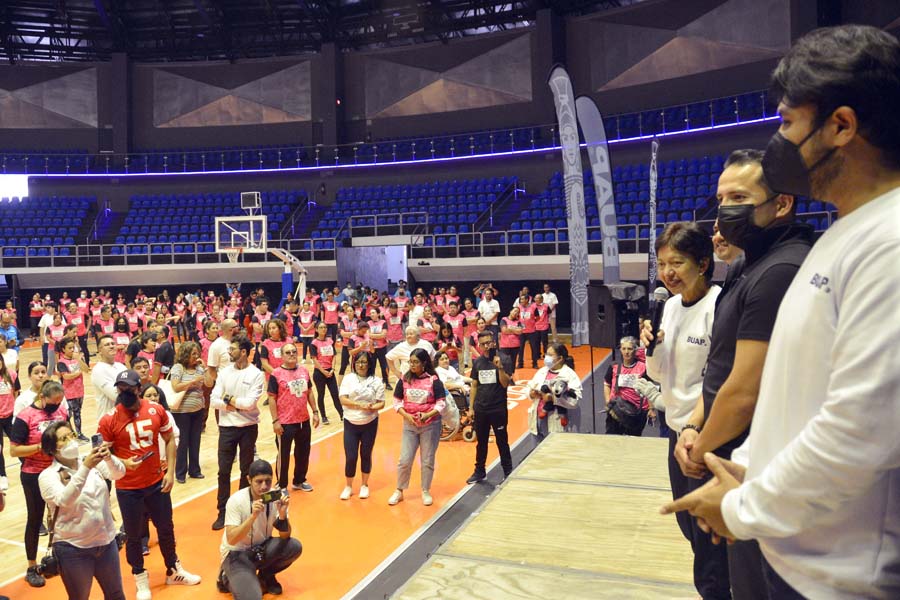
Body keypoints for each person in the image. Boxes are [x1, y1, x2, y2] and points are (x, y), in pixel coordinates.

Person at [664, 25, 900, 600]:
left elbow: (861, 430)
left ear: (841, 126)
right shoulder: (848, 232)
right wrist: (749, 465)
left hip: (841, 578)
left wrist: (742, 505)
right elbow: (798, 396)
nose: (780, 141)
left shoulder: (890, 241)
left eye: (789, 123)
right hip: (794, 547)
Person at [672, 148, 813, 599]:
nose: (724, 209)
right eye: (720, 197)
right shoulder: (747, 264)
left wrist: (701, 449)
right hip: (724, 451)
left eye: (738, 196)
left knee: (758, 585)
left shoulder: (782, 269)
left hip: (757, 466)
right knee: (728, 575)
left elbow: (746, 388)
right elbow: (720, 368)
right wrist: (694, 425)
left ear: (782, 203)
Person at [639, 222, 721, 600]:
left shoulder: (718, 305)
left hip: (708, 435)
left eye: (678, 262)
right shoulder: (669, 307)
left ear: (703, 263)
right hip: (676, 433)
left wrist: (697, 426)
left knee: (708, 543)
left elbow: (720, 378)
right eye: (662, 263)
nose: (668, 273)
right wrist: (650, 347)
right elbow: (658, 374)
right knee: (690, 528)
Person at [99, 370, 201, 599]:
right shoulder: (109, 419)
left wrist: (171, 472)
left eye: (128, 387)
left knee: (166, 528)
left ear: (138, 387)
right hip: (128, 487)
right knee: (134, 535)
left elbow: (169, 439)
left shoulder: (156, 409)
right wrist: (123, 462)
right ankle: (140, 577)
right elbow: (102, 452)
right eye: (120, 388)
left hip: (156, 482)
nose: (124, 392)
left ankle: (174, 570)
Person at [38, 421, 127, 600]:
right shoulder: (47, 476)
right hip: (73, 548)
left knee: (116, 594)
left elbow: (118, 474)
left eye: (71, 435)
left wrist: (109, 458)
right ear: (53, 449)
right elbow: (65, 499)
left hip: (106, 541)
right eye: (64, 438)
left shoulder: (91, 461)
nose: (71, 440)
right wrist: (86, 467)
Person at [10, 380, 69, 587]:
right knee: (35, 519)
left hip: (57, 471)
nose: (57, 405)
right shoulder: (25, 416)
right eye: (53, 401)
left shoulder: (61, 412)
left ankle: (61, 557)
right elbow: (14, 450)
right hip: (33, 473)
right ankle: (31, 567)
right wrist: (39, 447)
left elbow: (67, 436)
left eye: (60, 401)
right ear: (42, 397)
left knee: (61, 516)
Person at [218, 460, 302, 599]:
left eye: (268, 481)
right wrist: (252, 517)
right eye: (259, 481)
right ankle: (226, 577)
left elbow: (285, 535)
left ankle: (265, 576)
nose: (264, 486)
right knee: (252, 597)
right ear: (249, 480)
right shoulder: (237, 501)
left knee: (294, 547)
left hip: (260, 549)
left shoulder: (274, 496)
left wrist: (282, 516)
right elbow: (232, 539)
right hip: (236, 555)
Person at [210, 334, 265, 531]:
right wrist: (235, 406)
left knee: (246, 471)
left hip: (248, 429)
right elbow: (214, 400)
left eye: (232, 349)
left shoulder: (256, 374)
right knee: (223, 471)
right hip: (227, 429)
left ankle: (242, 510)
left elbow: (250, 404)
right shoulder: (224, 373)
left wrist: (228, 400)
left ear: (243, 352)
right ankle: (223, 511)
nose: (228, 352)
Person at [388, 348, 447, 507]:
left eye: (415, 362)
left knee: (427, 460)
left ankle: (425, 490)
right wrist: (406, 416)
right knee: (404, 460)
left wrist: (427, 415)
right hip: (409, 425)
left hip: (431, 426)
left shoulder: (434, 380)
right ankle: (399, 490)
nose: (412, 365)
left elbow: (441, 402)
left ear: (424, 363)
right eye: (410, 362)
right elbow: (397, 401)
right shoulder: (404, 379)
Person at [267, 342, 318, 492]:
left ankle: (299, 480)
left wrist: (315, 412)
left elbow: (309, 392)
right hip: (285, 422)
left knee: (303, 452)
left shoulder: (304, 371)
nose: (291, 354)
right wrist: (275, 421)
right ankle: (282, 484)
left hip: (303, 420)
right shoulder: (276, 374)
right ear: (282, 356)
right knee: (283, 455)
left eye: (294, 352)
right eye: (288, 352)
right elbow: (271, 398)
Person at [466, 332, 513, 483]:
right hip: (481, 409)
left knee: (502, 441)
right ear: (479, 345)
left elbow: (506, 383)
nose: (486, 346)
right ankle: (479, 471)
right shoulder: (478, 362)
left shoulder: (504, 359)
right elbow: (474, 385)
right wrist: (471, 408)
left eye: (489, 342)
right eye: (483, 344)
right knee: (482, 442)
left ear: (494, 342)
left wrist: (499, 368)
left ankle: (507, 470)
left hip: (497, 409)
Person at [338, 352, 385, 500]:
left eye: (364, 362)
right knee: (351, 456)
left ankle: (364, 485)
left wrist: (372, 407)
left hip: (369, 423)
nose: (361, 365)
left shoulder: (376, 381)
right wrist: (359, 405)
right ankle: (348, 486)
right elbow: (343, 399)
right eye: (358, 362)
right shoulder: (348, 378)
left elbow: (381, 402)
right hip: (351, 422)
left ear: (370, 364)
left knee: (366, 454)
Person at [526, 344, 582, 440]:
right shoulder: (542, 371)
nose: (546, 357)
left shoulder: (570, 375)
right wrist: (531, 394)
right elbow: (529, 387)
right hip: (538, 420)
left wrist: (553, 398)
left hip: (557, 421)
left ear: (560, 358)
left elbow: (575, 401)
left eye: (550, 355)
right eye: (546, 354)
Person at [169, 341, 206, 483]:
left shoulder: (199, 369)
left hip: (198, 409)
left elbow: (208, 383)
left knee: (195, 441)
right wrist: (192, 382)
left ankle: (195, 470)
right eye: (193, 354)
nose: (196, 357)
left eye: (198, 353)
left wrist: (205, 369)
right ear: (185, 355)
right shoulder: (178, 368)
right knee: (183, 442)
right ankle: (180, 473)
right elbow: (176, 387)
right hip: (181, 412)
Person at [603, 337, 650, 436]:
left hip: (637, 412)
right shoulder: (614, 366)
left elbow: (649, 388)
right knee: (612, 440)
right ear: (620, 350)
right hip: (615, 411)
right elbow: (607, 384)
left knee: (633, 442)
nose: (626, 352)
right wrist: (608, 400)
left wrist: (651, 409)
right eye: (624, 349)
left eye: (630, 349)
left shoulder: (643, 368)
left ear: (635, 350)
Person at [56, 337, 91, 442]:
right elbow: (66, 376)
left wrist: (79, 359)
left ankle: (79, 433)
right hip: (68, 393)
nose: (72, 350)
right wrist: (78, 373)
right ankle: (68, 433)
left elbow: (86, 369)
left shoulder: (77, 359)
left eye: (73, 347)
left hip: (80, 390)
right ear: (63, 349)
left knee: (78, 413)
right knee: (68, 414)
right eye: (69, 348)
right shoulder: (61, 362)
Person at [91, 335, 126, 427]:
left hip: (125, 416)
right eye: (107, 344)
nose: (111, 346)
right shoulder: (98, 370)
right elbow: (115, 395)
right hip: (108, 419)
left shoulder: (121, 366)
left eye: (113, 343)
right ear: (99, 350)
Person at [309, 321, 341, 425]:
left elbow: (334, 356)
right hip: (319, 373)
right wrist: (323, 371)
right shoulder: (314, 343)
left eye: (325, 327)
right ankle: (323, 416)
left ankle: (342, 414)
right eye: (321, 327)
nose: (324, 329)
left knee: (335, 394)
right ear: (317, 330)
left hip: (330, 372)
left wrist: (332, 369)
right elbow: (314, 360)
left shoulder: (330, 341)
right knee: (321, 395)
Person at [0, 353, 20, 492]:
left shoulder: (11, 374)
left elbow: (17, 392)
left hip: (10, 416)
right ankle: (2, 476)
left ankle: (28, 465)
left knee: (19, 443)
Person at [497, 306, 523, 375]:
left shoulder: (518, 322)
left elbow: (520, 331)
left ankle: (511, 377)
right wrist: (515, 330)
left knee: (513, 362)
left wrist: (510, 329)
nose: (516, 313)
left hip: (515, 345)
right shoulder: (504, 320)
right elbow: (504, 330)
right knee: (505, 362)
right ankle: (504, 377)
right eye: (515, 311)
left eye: (517, 312)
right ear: (510, 311)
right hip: (505, 345)